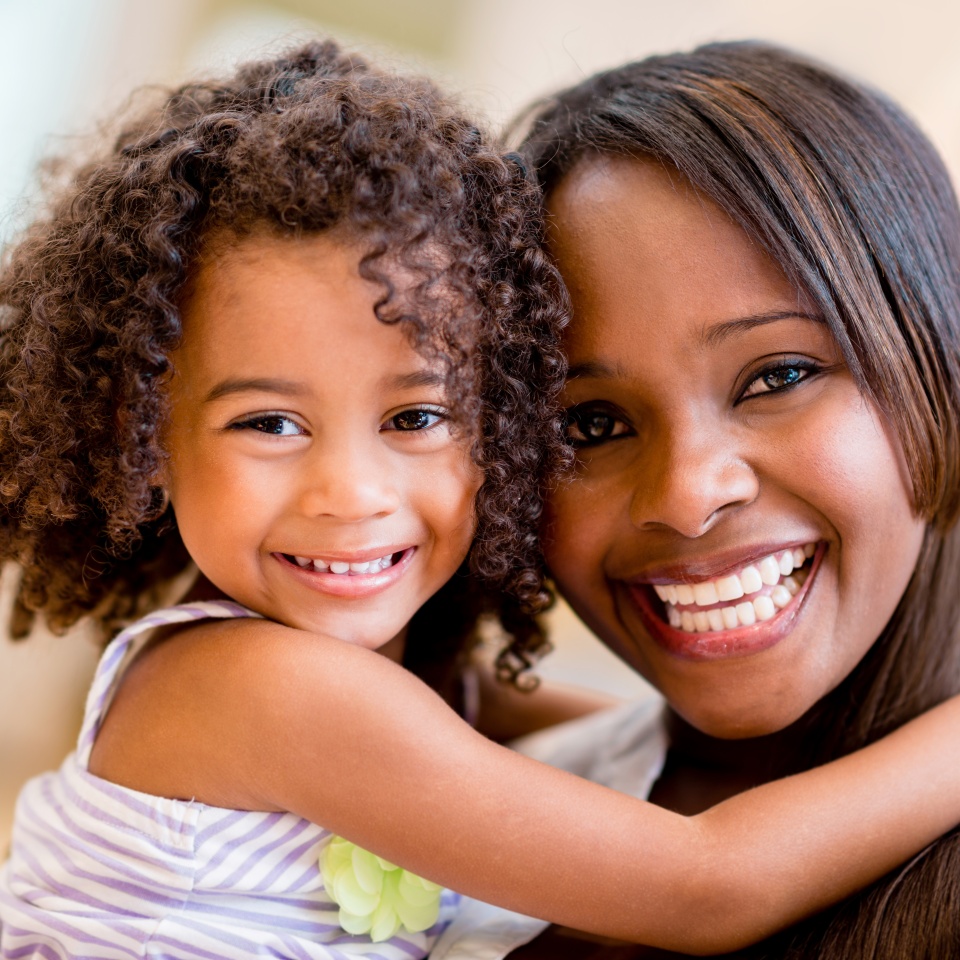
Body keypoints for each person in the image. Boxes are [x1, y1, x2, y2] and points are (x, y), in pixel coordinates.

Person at [1, 37, 960, 960]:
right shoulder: (257, 687)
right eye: (269, 424)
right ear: (140, 433)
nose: (350, 492)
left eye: (417, 417)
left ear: (497, 429)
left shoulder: (410, 688)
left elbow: (602, 733)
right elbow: (710, 884)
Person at [436, 40, 960, 959]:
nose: (684, 497)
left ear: (940, 362)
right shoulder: (479, 819)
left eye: (779, 375)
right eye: (589, 425)